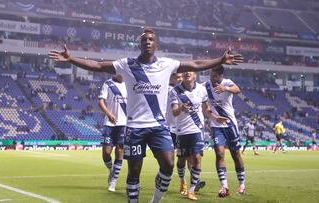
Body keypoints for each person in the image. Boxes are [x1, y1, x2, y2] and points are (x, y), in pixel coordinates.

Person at [49, 27, 243, 203]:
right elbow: (99, 66)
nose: (148, 42)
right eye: (144, 40)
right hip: (134, 127)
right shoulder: (127, 64)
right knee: (134, 171)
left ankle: (154, 201)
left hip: (159, 126)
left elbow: (195, 63)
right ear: (140, 44)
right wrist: (71, 59)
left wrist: (220, 60)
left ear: (156, 44)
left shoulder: (167, 64)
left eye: (151, 40)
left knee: (168, 166)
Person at [170, 71, 228, 201]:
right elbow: (174, 112)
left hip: (197, 129)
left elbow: (205, 109)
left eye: (189, 71)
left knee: (197, 158)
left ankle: (191, 190)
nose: (187, 73)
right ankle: (182, 181)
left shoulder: (202, 90)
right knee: (181, 160)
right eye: (184, 72)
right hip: (182, 130)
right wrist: (180, 108)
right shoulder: (175, 91)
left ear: (195, 75)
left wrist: (215, 118)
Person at [203, 65, 245, 197]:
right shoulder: (206, 85)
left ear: (221, 76)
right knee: (219, 154)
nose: (212, 78)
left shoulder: (227, 82)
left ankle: (242, 184)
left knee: (236, 154)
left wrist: (225, 88)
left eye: (215, 76)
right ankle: (224, 187)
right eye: (211, 75)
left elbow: (238, 90)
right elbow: (205, 106)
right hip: (216, 125)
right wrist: (214, 117)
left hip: (230, 124)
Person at [98, 74, 127, 192]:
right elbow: (101, 102)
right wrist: (109, 114)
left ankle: (113, 182)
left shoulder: (129, 84)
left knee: (120, 150)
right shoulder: (108, 83)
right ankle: (111, 170)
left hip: (124, 123)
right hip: (109, 123)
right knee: (106, 152)